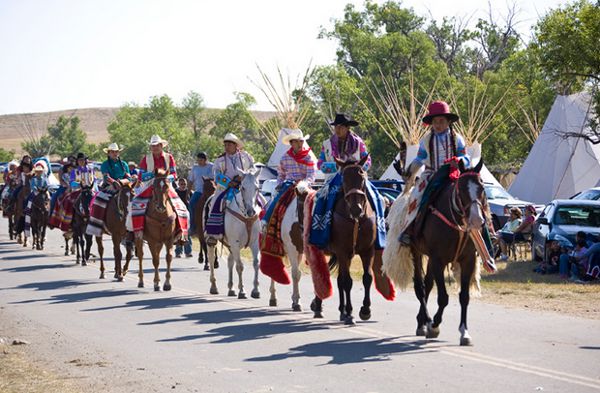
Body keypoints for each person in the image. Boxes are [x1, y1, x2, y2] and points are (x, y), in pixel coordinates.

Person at [310, 113, 385, 250]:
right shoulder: (326, 144)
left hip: (356, 177)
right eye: (336, 127)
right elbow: (320, 164)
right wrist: (336, 167)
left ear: (347, 128)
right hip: (334, 178)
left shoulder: (359, 143)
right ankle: (319, 236)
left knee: (378, 198)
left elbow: (367, 160)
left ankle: (380, 235)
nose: (337, 130)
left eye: (341, 127)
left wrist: (358, 169)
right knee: (320, 200)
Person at [205, 133, 255, 245]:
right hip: (225, 187)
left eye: (229, 145)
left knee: (259, 200)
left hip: (244, 185)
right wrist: (229, 182)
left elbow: (253, 168)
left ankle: (261, 227)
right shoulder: (220, 159)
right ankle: (213, 233)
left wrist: (244, 176)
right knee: (214, 202)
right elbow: (217, 175)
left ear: (236, 145)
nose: (227, 147)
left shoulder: (245, 156)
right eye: (225, 145)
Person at [187, 152, 214, 235]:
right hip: (199, 191)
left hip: (210, 191)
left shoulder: (211, 167)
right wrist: (188, 191)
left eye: (201, 160)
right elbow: (191, 180)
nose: (199, 162)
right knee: (191, 203)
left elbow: (215, 178)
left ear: (205, 160)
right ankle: (192, 226)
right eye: (198, 160)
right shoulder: (195, 168)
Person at [49, 156, 75, 228]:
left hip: (74, 187)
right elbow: (61, 180)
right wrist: (66, 186)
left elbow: (75, 180)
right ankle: (51, 218)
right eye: (69, 160)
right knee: (54, 198)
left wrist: (71, 187)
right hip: (63, 187)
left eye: (72, 160)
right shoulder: (62, 169)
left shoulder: (75, 169)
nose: (70, 162)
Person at [175, 178, 192, 258]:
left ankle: (188, 252)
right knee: (179, 233)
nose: (183, 186)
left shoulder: (189, 192)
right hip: (178, 214)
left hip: (187, 214)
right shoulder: (176, 192)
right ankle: (178, 252)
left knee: (187, 233)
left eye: (184, 184)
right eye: (181, 184)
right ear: (178, 184)